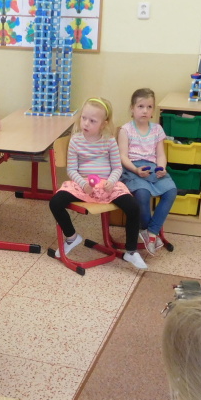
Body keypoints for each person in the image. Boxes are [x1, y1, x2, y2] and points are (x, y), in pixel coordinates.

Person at [48, 97, 148, 270]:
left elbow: (117, 168)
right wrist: (83, 184)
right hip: (83, 185)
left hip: (108, 185)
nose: (86, 123)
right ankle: (72, 237)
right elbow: (72, 169)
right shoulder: (76, 140)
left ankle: (131, 251)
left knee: (133, 207)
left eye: (92, 121)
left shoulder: (109, 140)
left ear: (103, 124)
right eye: (84, 118)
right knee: (55, 202)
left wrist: (111, 181)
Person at [117, 88, 177, 255]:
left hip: (153, 168)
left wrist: (161, 168)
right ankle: (148, 230)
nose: (145, 111)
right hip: (132, 169)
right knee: (142, 193)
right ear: (132, 109)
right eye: (140, 106)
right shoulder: (125, 130)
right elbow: (122, 156)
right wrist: (136, 169)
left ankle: (151, 232)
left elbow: (161, 155)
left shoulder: (157, 129)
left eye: (149, 107)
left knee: (171, 191)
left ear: (153, 110)